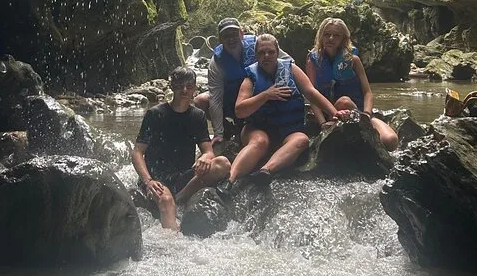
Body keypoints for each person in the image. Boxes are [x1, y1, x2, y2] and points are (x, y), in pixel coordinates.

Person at [216, 34, 350, 197]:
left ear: (277, 52)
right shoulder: (250, 77)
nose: (266, 56)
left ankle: (265, 171)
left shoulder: (291, 69)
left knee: (301, 140)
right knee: (260, 141)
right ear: (256, 55)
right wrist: (266, 95)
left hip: (288, 130)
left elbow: (311, 92)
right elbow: (240, 110)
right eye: (261, 52)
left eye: (271, 52)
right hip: (257, 129)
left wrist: (334, 112)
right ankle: (229, 180)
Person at [131, 67, 231, 231]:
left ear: (194, 88)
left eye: (189, 86)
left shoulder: (198, 116)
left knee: (223, 163)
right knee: (166, 201)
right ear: (171, 86)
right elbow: (137, 152)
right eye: (179, 85)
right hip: (157, 177)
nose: (184, 90)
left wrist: (205, 158)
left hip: (183, 177)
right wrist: (148, 181)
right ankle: (172, 242)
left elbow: (208, 152)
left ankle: (181, 198)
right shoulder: (155, 114)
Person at [305, 17, 399, 151]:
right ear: (321, 36)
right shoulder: (313, 62)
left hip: (358, 112)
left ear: (343, 39)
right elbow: (312, 95)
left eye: (336, 35)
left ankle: (365, 127)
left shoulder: (353, 60)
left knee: (391, 140)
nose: (331, 38)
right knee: (344, 102)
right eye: (327, 34)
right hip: (331, 114)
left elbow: (367, 92)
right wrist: (322, 124)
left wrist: (366, 114)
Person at [194, 17, 290, 145]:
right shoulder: (216, 62)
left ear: (241, 33)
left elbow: (288, 61)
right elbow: (215, 99)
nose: (231, 39)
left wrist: (279, 84)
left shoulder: (260, 46)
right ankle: (228, 129)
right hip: (233, 101)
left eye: (234, 34)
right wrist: (218, 133)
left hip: (261, 95)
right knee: (200, 100)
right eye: (226, 36)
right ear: (220, 39)